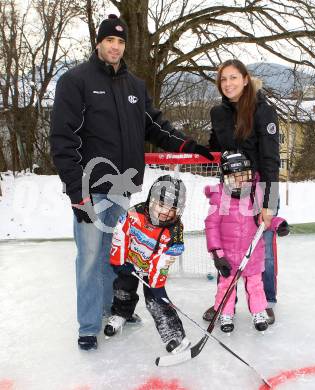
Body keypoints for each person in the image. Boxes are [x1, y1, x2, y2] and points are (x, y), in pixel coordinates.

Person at [50, 14, 213, 351]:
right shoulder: (76, 81)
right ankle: (88, 326)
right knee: (90, 259)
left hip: (123, 190)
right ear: (99, 42)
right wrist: (77, 194)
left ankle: (114, 309)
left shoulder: (134, 86)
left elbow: (156, 126)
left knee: (118, 256)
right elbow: (63, 140)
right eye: (110, 40)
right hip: (91, 191)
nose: (115, 46)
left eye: (121, 41)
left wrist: (188, 145)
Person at [203, 59, 282, 325]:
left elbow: (271, 159)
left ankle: (265, 301)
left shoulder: (263, 111)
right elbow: (215, 147)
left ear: (245, 79)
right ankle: (225, 304)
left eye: (233, 78)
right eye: (223, 79)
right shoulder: (218, 113)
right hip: (231, 191)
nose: (228, 84)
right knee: (229, 247)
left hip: (259, 191)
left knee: (262, 249)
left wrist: (268, 203)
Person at [104, 175, 191, 353]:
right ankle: (121, 314)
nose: (165, 212)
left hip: (152, 267)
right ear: (151, 200)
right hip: (129, 260)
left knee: (156, 301)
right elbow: (120, 236)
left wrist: (156, 284)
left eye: (172, 209)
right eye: (161, 205)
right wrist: (119, 262)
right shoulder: (133, 214)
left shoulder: (174, 231)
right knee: (123, 288)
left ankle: (173, 334)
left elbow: (163, 259)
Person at [204, 151, 288, 332]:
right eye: (235, 178)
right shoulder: (219, 197)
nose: (241, 181)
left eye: (243, 176)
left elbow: (265, 219)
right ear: (225, 178)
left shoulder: (255, 194)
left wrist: (279, 224)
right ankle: (226, 313)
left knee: (255, 286)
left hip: (253, 254)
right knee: (226, 286)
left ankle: (258, 312)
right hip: (228, 256)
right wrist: (217, 254)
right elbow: (211, 227)